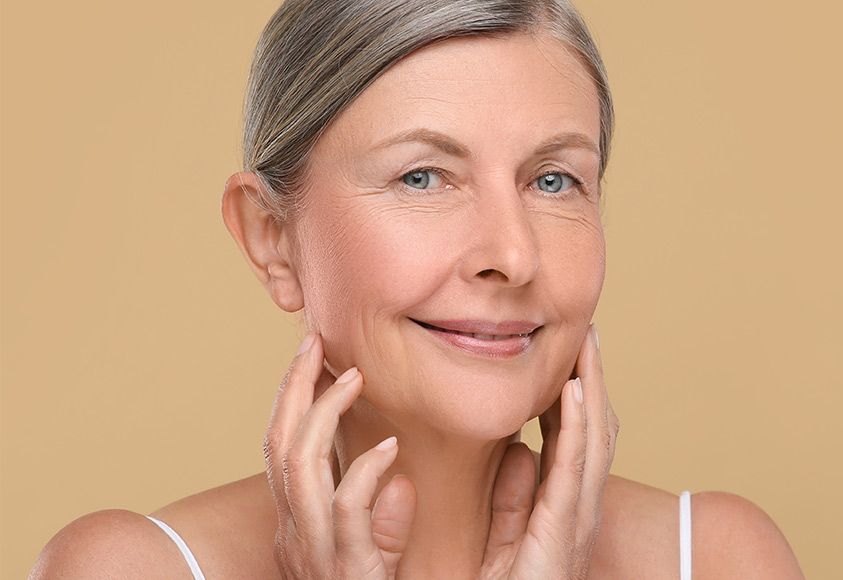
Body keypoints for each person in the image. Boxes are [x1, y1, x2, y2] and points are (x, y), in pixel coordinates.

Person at [30, 0, 804, 578]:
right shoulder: (128, 569)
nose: (512, 252)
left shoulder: (719, 558)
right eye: (422, 176)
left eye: (554, 179)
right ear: (272, 236)